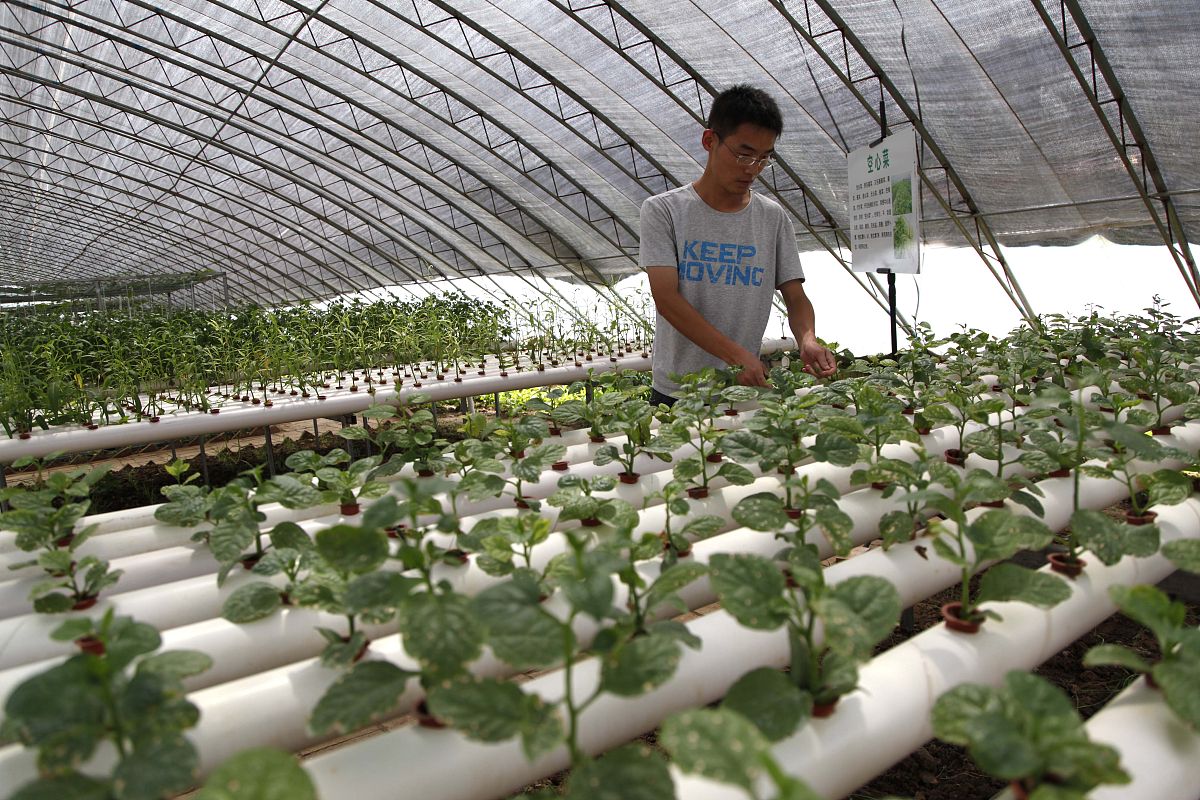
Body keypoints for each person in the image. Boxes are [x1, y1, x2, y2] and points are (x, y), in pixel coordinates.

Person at [640, 84, 836, 406]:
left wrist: (807, 340)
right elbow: (667, 299)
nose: (752, 169)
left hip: (743, 389)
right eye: (743, 155)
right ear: (709, 141)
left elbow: (796, 297)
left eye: (764, 158)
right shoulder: (665, 211)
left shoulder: (772, 218)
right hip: (679, 391)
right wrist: (737, 356)